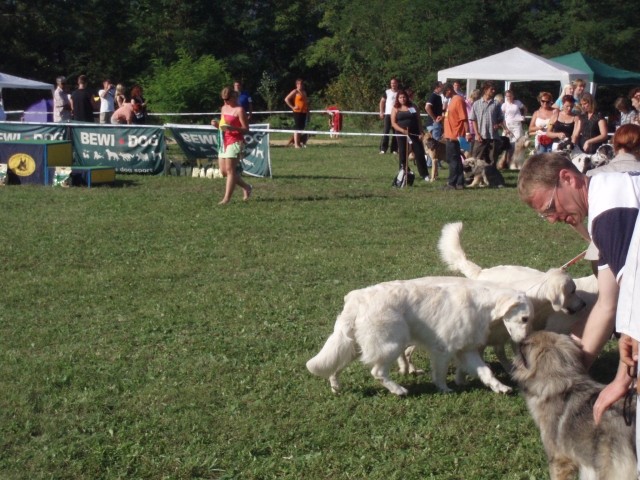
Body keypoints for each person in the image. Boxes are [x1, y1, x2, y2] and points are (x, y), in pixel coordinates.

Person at [517, 151, 640, 469]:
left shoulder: (611, 211)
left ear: (568, 179)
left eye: (550, 208)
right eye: (545, 216)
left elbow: (637, 303)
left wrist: (621, 380)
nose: (553, 219)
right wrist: (564, 370)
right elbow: (608, 304)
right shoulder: (603, 207)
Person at [211, 86, 252, 204]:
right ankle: (247, 187)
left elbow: (246, 129)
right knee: (223, 171)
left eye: (227, 99)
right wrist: (216, 125)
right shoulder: (224, 108)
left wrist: (233, 128)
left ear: (233, 97)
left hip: (236, 141)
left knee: (230, 170)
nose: (225, 102)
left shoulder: (240, 110)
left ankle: (226, 199)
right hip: (224, 140)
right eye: (223, 100)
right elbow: (223, 126)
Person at [390, 89, 429, 183]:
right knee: (403, 153)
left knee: (419, 152)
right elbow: (393, 123)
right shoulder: (395, 108)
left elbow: (419, 120)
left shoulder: (413, 106)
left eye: (404, 97)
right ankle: (403, 171)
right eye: (400, 97)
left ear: (407, 98)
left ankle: (424, 174)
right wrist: (402, 130)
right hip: (401, 133)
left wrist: (421, 132)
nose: (402, 99)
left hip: (414, 133)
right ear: (397, 98)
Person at [442, 82, 472, 190]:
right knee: (457, 160)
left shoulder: (458, 100)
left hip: (455, 135)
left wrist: (467, 132)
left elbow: (463, 118)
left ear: (449, 90)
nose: (444, 95)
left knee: (452, 160)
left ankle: (452, 183)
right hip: (450, 134)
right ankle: (460, 183)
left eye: (444, 92)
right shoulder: (452, 101)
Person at [469, 81, 507, 165]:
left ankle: (490, 177)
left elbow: (500, 118)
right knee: (475, 159)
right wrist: (477, 134)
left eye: (494, 89)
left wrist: (498, 125)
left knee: (492, 160)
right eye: (491, 89)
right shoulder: (476, 104)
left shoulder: (496, 104)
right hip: (480, 137)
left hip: (493, 136)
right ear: (485, 90)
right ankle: (473, 177)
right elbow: (473, 120)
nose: (493, 91)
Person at [284, 78, 309, 149]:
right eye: (299, 84)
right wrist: (292, 107)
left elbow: (306, 102)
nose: (300, 85)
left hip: (304, 112)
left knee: (301, 128)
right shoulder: (295, 91)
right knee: (297, 128)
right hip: (297, 112)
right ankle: (296, 144)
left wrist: (308, 110)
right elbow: (286, 99)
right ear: (296, 85)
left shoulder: (304, 92)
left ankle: (298, 142)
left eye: (301, 84)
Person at [378, 77, 399, 154]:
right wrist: (381, 111)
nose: (393, 84)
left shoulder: (400, 92)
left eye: (394, 83)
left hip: (397, 115)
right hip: (388, 114)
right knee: (386, 131)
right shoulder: (387, 92)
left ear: (397, 84)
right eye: (392, 83)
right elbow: (382, 102)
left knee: (396, 132)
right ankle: (383, 149)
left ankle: (394, 149)